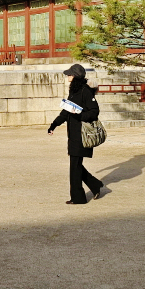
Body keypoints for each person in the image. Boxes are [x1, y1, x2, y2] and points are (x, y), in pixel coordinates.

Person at [48, 63, 104, 205]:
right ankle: (95, 185)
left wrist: (80, 116)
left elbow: (94, 112)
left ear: (75, 76)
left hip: (82, 134)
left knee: (75, 166)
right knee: (76, 165)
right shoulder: (74, 90)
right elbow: (66, 111)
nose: (68, 76)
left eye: (70, 74)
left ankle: (78, 198)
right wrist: (54, 124)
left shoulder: (85, 91)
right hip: (73, 134)